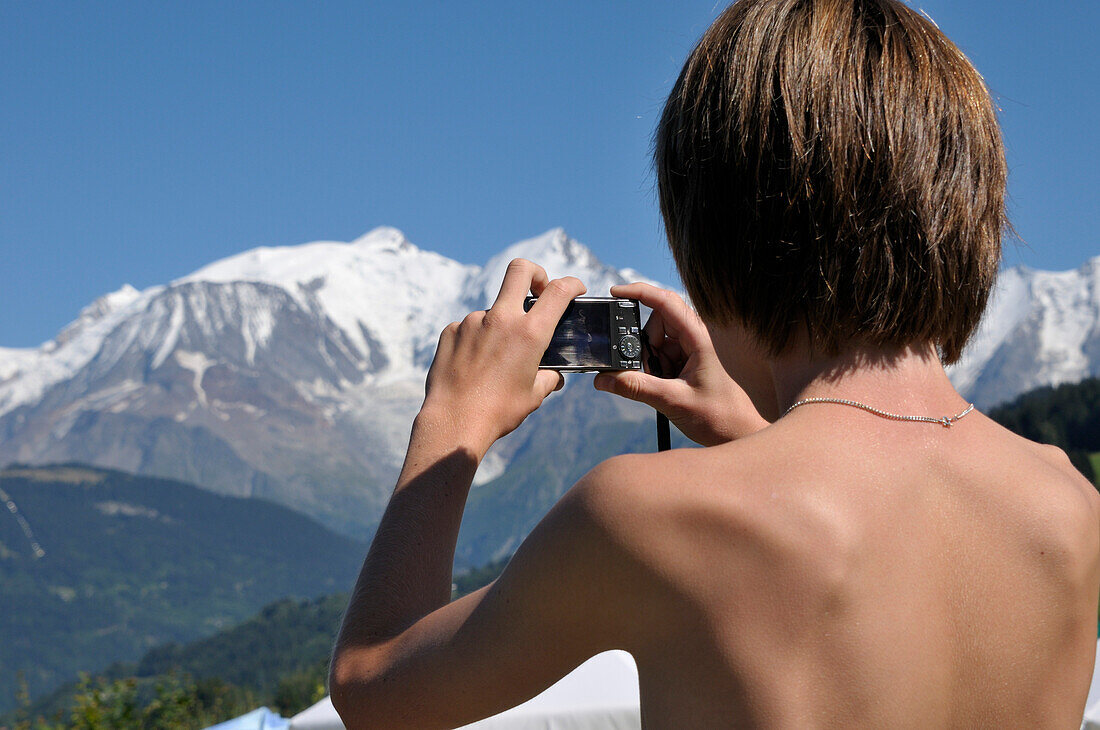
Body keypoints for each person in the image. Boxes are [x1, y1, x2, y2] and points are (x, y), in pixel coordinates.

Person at [330, 0, 1100, 727]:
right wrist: (753, 434)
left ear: (719, 239)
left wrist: (452, 427)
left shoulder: (645, 514)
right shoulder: (1066, 505)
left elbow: (374, 690)